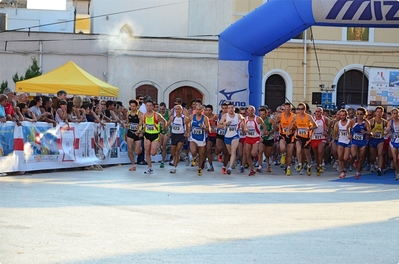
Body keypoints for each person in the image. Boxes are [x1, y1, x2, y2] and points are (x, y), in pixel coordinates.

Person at [217, 102, 247, 175]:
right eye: (229, 108)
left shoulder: (238, 116)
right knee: (230, 152)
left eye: (232, 108)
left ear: (234, 109)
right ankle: (233, 160)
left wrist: (244, 127)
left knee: (233, 151)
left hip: (235, 135)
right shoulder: (225, 116)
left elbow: (243, 119)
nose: (230, 109)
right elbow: (218, 126)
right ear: (227, 109)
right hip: (227, 136)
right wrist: (225, 124)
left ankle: (230, 168)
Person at [139, 100, 167, 174]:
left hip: (155, 135)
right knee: (147, 151)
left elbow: (164, 121)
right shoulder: (143, 116)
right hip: (147, 135)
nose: (148, 107)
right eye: (147, 105)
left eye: (150, 105)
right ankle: (150, 168)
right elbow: (141, 125)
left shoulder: (157, 115)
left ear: (153, 106)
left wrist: (162, 131)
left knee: (153, 153)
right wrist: (140, 131)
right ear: (145, 106)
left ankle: (157, 148)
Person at [290, 102, 318, 176]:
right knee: (298, 150)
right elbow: (291, 124)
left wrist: (309, 128)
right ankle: (299, 164)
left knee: (307, 154)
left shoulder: (309, 117)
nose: (300, 110)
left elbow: (316, 126)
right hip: (298, 136)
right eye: (298, 109)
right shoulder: (296, 117)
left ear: (305, 109)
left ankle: (309, 165)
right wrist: (289, 130)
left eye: (302, 109)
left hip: (307, 138)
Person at [347, 107, 371, 180]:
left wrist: (366, 132)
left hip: (363, 141)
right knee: (354, 154)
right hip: (355, 140)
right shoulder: (353, 121)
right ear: (356, 114)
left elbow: (370, 132)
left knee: (361, 157)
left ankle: (358, 171)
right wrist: (349, 134)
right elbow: (348, 127)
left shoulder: (366, 122)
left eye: (361, 114)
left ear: (364, 115)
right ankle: (354, 160)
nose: (359, 116)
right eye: (358, 114)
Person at [167, 104, 190, 173]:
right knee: (173, 152)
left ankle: (174, 167)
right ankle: (176, 158)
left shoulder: (184, 118)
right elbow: (167, 124)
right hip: (174, 135)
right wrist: (168, 131)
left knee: (177, 151)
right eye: (176, 109)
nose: (177, 111)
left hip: (181, 136)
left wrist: (187, 133)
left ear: (181, 110)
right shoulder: (172, 117)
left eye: (179, 109)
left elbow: (188, 126)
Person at [189, 100, 210, 176]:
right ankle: (194, 157)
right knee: (193, 150)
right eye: (196, 109)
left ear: (202, 110)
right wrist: (187, 132)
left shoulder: (205, 118)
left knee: (201, 154)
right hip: (193, 137)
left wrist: (204, 127)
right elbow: (188, 124)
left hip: (201, 139)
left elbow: (209, 129)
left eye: (199, 110)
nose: (198, 111)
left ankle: (199, 168)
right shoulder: (192, 117)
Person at [275, 102, 295, 176]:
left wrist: (292, 128)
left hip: (291, 136)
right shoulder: (280, 116)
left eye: (288, 108)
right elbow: (275, 123)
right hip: (282, 135)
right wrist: (276, 129)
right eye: (285, 109)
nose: (287, 110)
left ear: (291, 109)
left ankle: (288, 168)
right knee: (282, 147)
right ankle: (283, 154)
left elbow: (296, 127)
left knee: (289, 153)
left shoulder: (294, 116)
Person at [244, 106, 264, 176]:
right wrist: (244, 130)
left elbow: (264, 127)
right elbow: (242, 128)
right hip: (248, 137)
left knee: (253, 153)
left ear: (254, 111)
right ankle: (252, 169)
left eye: (252, 110)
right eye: (249, 110)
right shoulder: (245, 119)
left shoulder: (258, 118)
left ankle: (257, 158)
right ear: (247, 111)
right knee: (247, 155)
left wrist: (262, 136)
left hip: (256, 138)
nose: (250, 112)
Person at [368, 106, 387, 176]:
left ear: (383, 113)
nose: (379, 113)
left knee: (380, 154)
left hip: (380, 140)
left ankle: (379, 168)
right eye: (377, 112)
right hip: (372, 139)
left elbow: (389, 129)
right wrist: (372, 133)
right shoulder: (371, 121)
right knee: (373, 155)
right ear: (375, 113)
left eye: (380, 112)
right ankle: (372, 164)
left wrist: (385, 132)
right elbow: (367, 130)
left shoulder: (384, 122)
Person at [311, 107, 330, 176]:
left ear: (322, 112)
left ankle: (321, 164)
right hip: (314, 138)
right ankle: (318, 164)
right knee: (316, 154)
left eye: (319, 111)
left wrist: (326, 132)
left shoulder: (325, 119)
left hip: (322, 138)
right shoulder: (313, 118)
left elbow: (329, 125)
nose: (317, 113)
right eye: (316, 111)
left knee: (320, 151)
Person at [126, 99, 143, 171]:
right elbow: (128, 122)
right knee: (129, 150)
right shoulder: (128, 113)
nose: (132, 108)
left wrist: (139, 131)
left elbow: (141, 123)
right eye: (131, 106)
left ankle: (140, 149)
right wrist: (126, 125)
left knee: (136, 152)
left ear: (137, 106)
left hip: (137, 133)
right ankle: (133, 165)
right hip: (130, 132)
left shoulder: (140, 113)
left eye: (134, 106)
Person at [334, 109, 351, 179]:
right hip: (341, 140)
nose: (342, 116)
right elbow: (335, 132)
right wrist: (334, 138)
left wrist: (351, 134)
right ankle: (342, 171)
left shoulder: (350, 122)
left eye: (343, 115)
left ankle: (348, 161)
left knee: (345, 158)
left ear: (346, 115)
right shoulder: (338, 123)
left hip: (348, 141)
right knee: (340, 157)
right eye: (341, 115)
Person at [258, 107, 275, 173]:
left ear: (266, 114)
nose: (262, 116)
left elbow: (275, 127)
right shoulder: (258, 120)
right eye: (261, 114)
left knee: (268, 154)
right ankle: (260, 166)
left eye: (263, 114)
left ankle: (268, 165)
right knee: (260, 151)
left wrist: (270, 132)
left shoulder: (270, 120)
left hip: (269, 138)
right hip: (262, 138)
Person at [385, 108, 399, 181]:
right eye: (394, 113)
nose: (395, 115)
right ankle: (397, 172)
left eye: (397, 113)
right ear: (392, 114)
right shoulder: (390, 122)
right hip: (393, 142)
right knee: (395, 159)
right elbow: (387, 130)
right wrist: (386, 132)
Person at [204, 104, 217, 172]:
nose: (208, 112)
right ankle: (211, 165)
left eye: (209, 110)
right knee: (208, 150)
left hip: (217, 136)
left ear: (212, 110)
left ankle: (219, 155)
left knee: (217, 150)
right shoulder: (204, 118)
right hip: (209, 136)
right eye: (206, 110)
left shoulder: (215, 117)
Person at [158, 102, 170, 168]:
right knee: (160, 146)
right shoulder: (158, 113)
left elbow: (170, 122)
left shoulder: (168, 113)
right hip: (160, 131)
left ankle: (163, 160)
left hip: (166, 131)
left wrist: (169, 131)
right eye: (161, 109)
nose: (162, 110)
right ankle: (162, 157)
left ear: (165, 108)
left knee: (164, 146)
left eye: (163, 109)